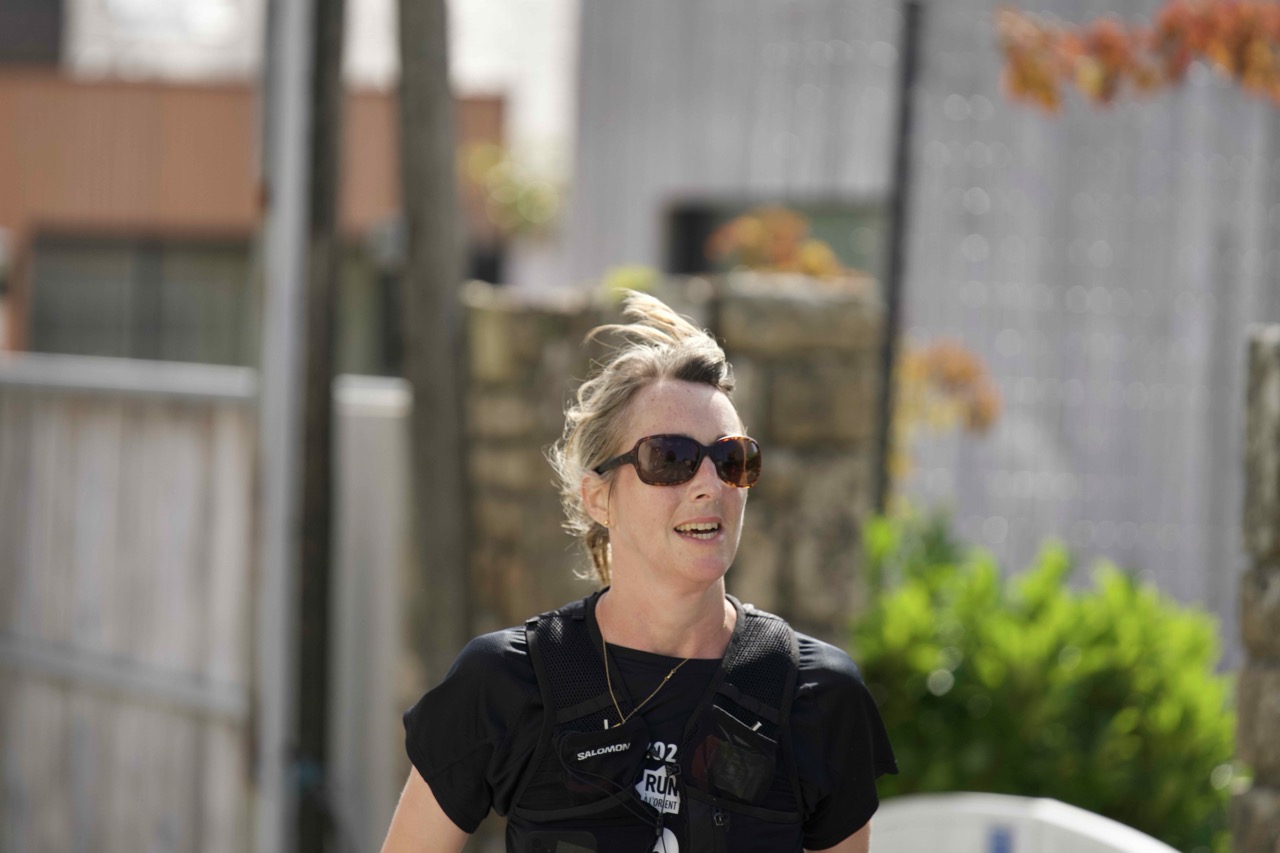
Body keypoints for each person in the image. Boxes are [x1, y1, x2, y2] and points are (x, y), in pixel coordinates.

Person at [382, 292, 897, 853]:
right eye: (670, 458)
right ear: (599, 497)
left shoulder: (817, 696)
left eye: (731, 459)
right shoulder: (506, 682)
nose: (709, 485)